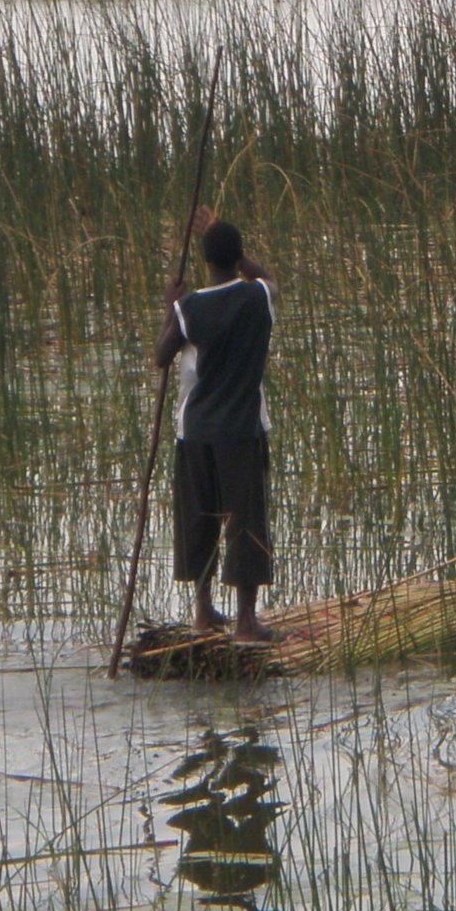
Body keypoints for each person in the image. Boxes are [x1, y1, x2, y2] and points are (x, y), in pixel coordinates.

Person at [154, 205, 278, 642]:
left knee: (200, 516)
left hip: (197, 432)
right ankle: (246, 621)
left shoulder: (190, 308)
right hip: (242, 430)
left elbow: (161, 356)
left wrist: (171, 306)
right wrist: (238, 252)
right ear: (239, 258)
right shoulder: (256, 297)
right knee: (245, 521)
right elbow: (267, 279)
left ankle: (204, 613)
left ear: (206, 260)